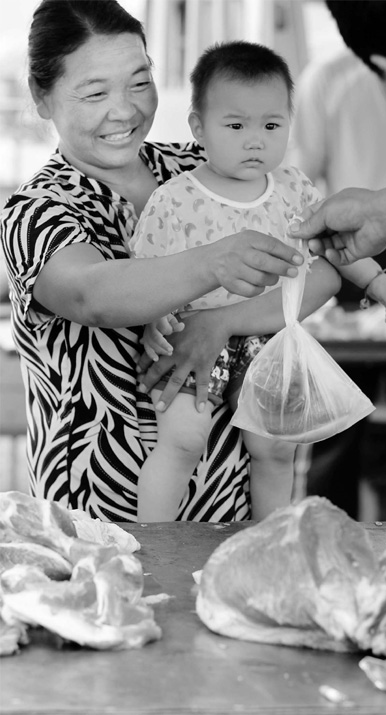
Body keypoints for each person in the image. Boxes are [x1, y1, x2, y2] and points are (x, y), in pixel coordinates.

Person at [0, 0, 341, 523]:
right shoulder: (38, 208)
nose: (125, 110)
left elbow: (323, 267)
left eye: (140, 82)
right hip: (100, 516)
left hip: (232, 508)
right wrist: (214, 263)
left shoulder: (203, 165)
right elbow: (91, 294)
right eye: (95, 92)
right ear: (41, 98)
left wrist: (225, 320)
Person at [130, 40, 386, 522]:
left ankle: (268, 539)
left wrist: (377, 282)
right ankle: (150, 545)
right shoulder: (175, 199)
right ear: (199, 127)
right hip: (197, 338)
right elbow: (148, 274)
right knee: (183, 440)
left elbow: (337, 247)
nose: (255, 140)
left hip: (272, 342)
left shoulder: (294, 189)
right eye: (235, 126)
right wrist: (153, 321)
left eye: (271, 125)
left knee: (276, 449)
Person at [287, 47, 386, 518]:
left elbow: (299, 179)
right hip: (360, 250)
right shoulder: (332, 77)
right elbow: (300, 184)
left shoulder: (329, 77)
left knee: (356, 429)